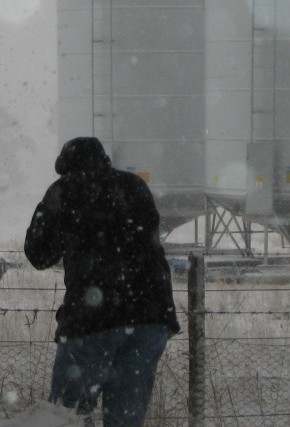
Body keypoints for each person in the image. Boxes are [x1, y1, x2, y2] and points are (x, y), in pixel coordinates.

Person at [24, 137, 180, 427]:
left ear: (64, 167)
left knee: (66, 416)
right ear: (104, 159)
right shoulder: (135, 187)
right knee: (125, 419)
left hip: (93, 317)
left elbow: (38, 254)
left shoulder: (65, 190)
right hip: (150, 317)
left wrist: (55, 217)